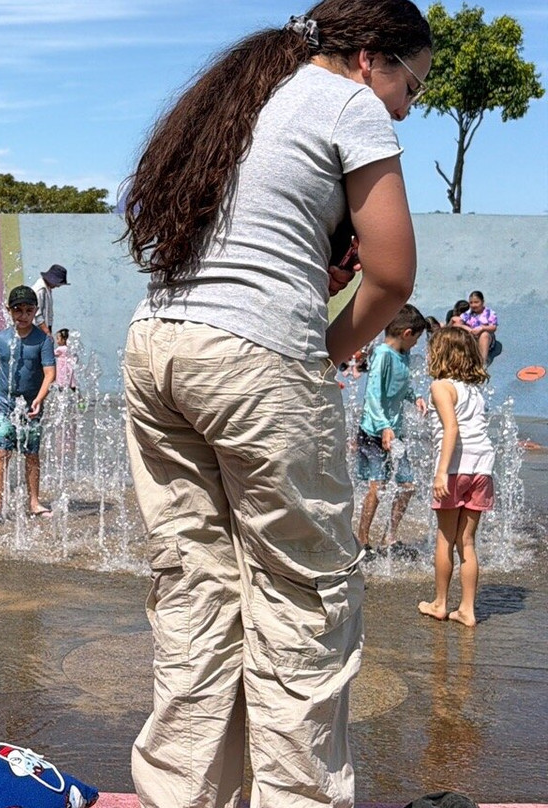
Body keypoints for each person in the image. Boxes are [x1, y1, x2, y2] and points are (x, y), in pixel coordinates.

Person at [118, 2, 432, 806]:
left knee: (195, 589)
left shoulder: (247, 95)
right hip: (253, 360)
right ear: (370, 58)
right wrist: (320, 353)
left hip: (158, 349)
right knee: (304, 605)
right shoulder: (349, 102)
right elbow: (394, 277)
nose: (407, 107)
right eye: (411, 84)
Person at [418, 327, 494, 628]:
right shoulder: (474, 390)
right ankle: (467, 609)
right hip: (482, 469)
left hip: (455, 469)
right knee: (467, 542)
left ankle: (439, 603)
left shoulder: (441, 386)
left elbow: (451, 429)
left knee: (445, 538)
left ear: (440, 353)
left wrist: (440, 473)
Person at [0, 286, 56, 522]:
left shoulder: (43, 341)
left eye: (28, 311)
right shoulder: (1, 339)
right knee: (1, 452)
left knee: (31, 454)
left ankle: (34, 502)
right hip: (4, 405)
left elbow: (50, 373)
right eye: (17, 310)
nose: (23, 315)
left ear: (35, 311)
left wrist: (40, 398)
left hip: (31, 408)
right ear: (9, 311)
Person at [356, 304, 429, 557]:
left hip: (394, 432)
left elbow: (401, 385)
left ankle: (390, 536)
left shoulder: (402, 355)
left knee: (408, 485)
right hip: (375, 432)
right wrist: (384, 426)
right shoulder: (383, 355)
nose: (417, 344)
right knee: (379, 488)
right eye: (417, 338)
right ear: (407, 333)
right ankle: (362, 540)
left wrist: (415, 396)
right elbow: (373, 395)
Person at [460, 290, 498, 364]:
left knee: (484, 335)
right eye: (471, 303)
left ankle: (482, 362)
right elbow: (458, 324)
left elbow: (493, 327)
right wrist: (468, 329)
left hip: (486, 340)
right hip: (472, 338)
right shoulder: (467, 314)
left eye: (476, 302)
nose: (473, 305)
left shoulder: (489, 313)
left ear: (482, 302)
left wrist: (482, 328)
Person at [31, 264, 69, 336]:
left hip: (41, 331)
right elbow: (37, 314)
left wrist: (49, 329)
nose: (58, 286)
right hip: (35, 331)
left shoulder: (47, 289)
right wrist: (47, 332)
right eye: (58, 284)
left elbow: (49, 314)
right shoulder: (40, 290)